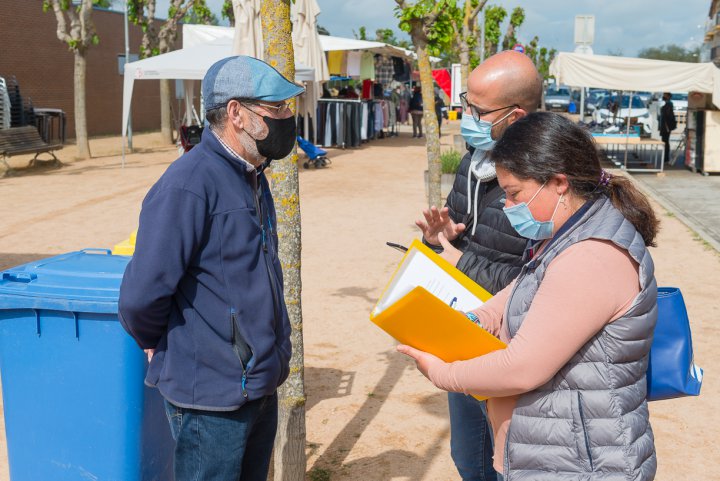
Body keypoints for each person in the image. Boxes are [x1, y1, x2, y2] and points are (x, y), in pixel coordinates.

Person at [401, 112, 660, 480]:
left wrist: (443, 373)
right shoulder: (567, 232)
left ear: (558, 183)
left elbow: (522, 368)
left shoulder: (591, 255)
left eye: (513, 194)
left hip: (581, 465)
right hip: (556, 450)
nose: (508, 208)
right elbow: (518, 290)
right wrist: (474, 320)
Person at [118, 55, 300, 481]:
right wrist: (156, 340)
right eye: (276, 109)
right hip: (210, 399)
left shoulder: (253, 174)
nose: (287, 119)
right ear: (236, 113)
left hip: (258, 385)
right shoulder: (189, 184)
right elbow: (141, 294)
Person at [415, 50, 542, 481]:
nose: (467, 116)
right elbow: (466, 233)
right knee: (469, 458)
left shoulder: (549, 181)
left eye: (478, 110)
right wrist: (441, 237)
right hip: (464, 326)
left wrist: (457, 259)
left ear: (516, 115)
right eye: (466, 104)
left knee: (505, 462)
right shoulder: (475, 160)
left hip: (510, 342)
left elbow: (541, 276)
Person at [660, 92, 677, 163]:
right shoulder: (666, 104)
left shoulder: (669, 104)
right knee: (665, 141)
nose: (663, 96)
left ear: (668, 96)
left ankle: (666, 157)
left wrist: (667, 126)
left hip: (666, 127)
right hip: (665, 126)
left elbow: (668, 116)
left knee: (665, 141)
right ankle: (665, 157)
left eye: (665, 95)